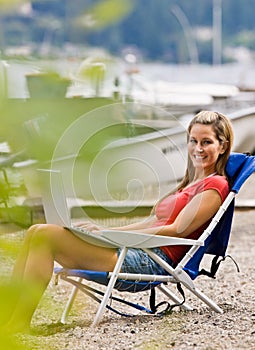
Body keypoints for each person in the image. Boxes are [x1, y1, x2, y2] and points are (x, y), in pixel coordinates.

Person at [2, 110, 234, 333]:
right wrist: (106, 231)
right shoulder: (190, 184)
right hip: (136, 248)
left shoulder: (215, 186)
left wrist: (123, 239)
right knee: (35, 231)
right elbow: (151, 221)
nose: (198, 148)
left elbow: (177, 230)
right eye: (193, 141)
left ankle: (18, 323)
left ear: (222, 146)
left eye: (206, 142)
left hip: (152, 260)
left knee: (45, 235)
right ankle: (8, 319)